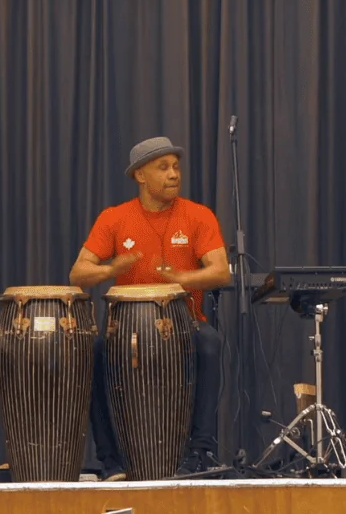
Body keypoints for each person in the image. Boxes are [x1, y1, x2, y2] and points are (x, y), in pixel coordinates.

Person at [69, 137, 231, 480]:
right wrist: (111, 269)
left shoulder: (197, 215)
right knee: (91, 350)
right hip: (124, 328)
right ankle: (111, 460)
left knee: (210, 343)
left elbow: (221, 271)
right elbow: (78, 273)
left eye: (176, 167)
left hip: (184, 321)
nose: (174, 174)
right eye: (163, 168)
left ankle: (200, 450)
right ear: (140, 176)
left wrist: (183, 277)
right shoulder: (114, 219)